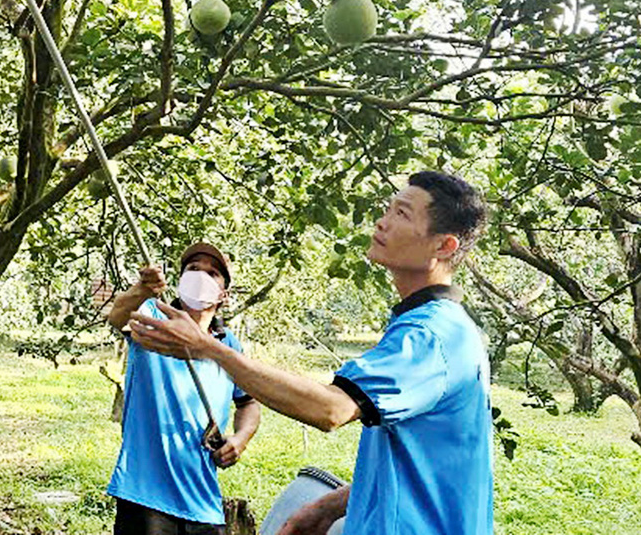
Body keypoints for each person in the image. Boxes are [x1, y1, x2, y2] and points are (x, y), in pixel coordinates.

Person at [130, 172, 493, 535]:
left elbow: (331, 409)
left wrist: (207, 347)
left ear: (443, 246)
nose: (382, 221)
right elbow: (420, 467)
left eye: (402, 214)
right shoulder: (428, 326)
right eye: (388, 209)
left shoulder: (432, 335)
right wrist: (326, 507)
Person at [103, 240, 263, 535]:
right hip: (145, 497)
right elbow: (118, 317)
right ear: (179, 282)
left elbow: (249, 403)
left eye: (212, 272)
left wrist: (240, 439)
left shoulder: (229, 346)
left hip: (204, 502)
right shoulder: (153, 315)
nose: (200, 275)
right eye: (193, 268)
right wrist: (142, 288)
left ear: (223, 294)